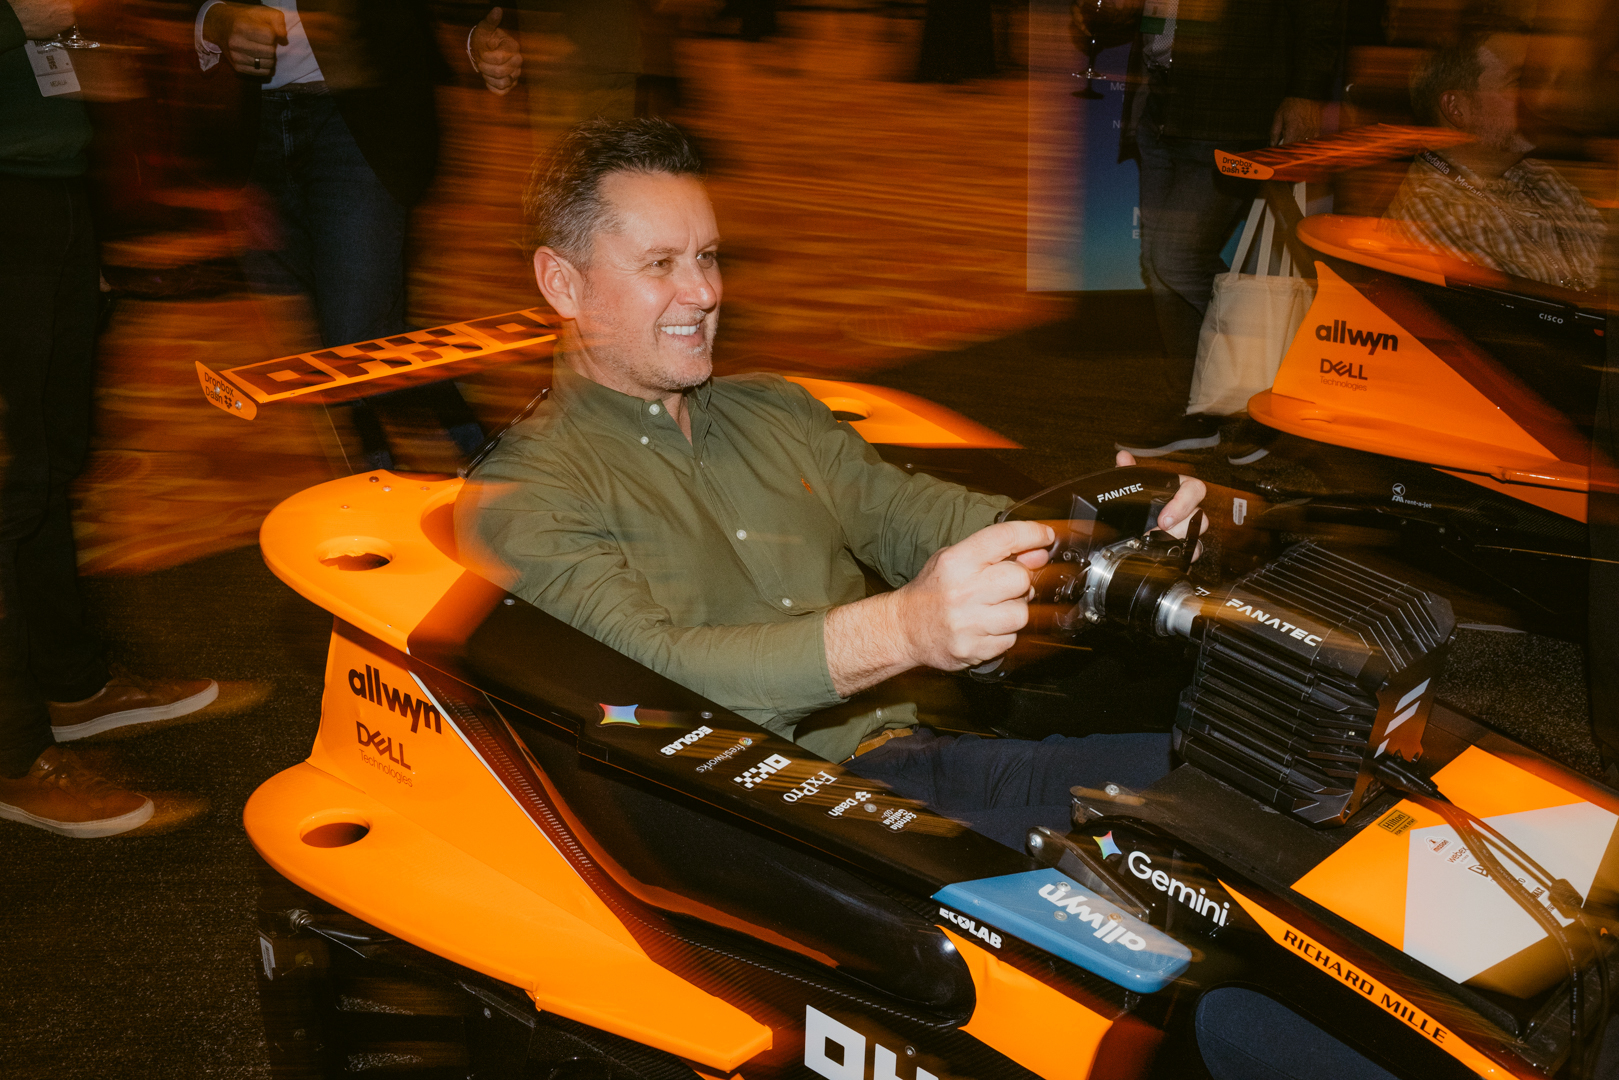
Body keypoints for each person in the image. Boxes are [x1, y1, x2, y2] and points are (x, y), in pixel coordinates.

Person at [454, 118, 1205, 849]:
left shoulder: (770, 409)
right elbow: (657, 680)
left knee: (1224, 797)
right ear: (562, 283)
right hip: (760, 816)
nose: (703, 291)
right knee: (1156, 884)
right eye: (660, 265)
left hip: (906, 762)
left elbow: (910, 514)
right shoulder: (524, 493)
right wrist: (902, 630)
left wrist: (1100, 530)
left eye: (707, 256)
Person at [0, 0, 221, 838]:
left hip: (49, 186)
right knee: (8, 478)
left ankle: (72, 685)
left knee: (50, 462)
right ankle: (13, 752)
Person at [195, 0, 486, 471]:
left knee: (352, 341)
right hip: (255, 125)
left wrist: (476, 34)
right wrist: (216, 17)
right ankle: (419, 472)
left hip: (358, 113)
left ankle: (480, 459)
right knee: (334, 340)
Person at [1110, 0, 1345, 460]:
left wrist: (1305, 91)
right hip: (1159, 98)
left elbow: (1319, 11)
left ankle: (1273, 391)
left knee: (1176, 259)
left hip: (1232, 101)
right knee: (1160, 267)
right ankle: (1199, 408)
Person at [1382, 28, 1605, 292]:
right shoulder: (1430, 215)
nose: (1537, 99)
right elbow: (1522, 314)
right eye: (1518, 82)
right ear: (1456, 108)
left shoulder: (1536, 174)